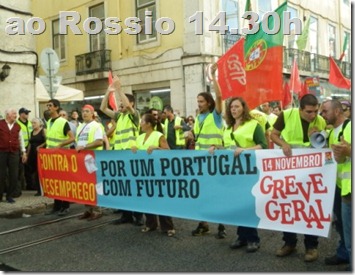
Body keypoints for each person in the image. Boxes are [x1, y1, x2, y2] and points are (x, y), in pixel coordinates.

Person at [270, 94, 326, 262]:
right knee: (288, 205)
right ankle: (289, 243)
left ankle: (311, 246)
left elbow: (324, 145)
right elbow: (274, 135)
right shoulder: (286, 115)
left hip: (310, 171)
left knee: (310, 207)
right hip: (289, 170)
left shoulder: (320, 121)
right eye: (309, 112)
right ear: (300, 109)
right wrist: (284, 144)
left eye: (316, 111)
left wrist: (317, 138)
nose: (313, 115)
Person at [221, 97, 267, 253]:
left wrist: (245, 150)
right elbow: (226, 147)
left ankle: (253, 239)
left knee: (247, 205)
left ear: (244, 108)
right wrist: (216, 148)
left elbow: (263, 145)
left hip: (248, 171)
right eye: (231, 107)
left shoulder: (253, 125)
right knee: (238, 205)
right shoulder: (227, 128)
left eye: (237, 106)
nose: (234, 109)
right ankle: (242, 236)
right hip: (232, 173)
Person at [100, 76, 143, 226]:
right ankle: (126, 215)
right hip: (119, 156)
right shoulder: (120, 116)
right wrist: (108, 91)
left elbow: (128, 107)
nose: (120, 105)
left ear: (131, 103)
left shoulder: (134, 115)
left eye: (123, 103)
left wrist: (119, 90)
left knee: (134, 187)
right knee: (123, 187)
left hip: (131, 156)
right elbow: (103, 108)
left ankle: (138, 216)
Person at [191, 63, 225, 238]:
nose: (199, 104)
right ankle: (203, 224)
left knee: (217, 194)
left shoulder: (216, 116)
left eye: (201, 101)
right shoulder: (198, 118)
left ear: (209, 102)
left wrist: (213, 77)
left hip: (215, 162)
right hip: (200, 162)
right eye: (197, 102)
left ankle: (221, 227)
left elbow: (219, 97)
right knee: (201, 194)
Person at [131, 113, 176, 237]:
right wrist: (133, 149)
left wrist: (157, 148)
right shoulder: (139, 137)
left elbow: (168, 152)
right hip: (143, 173)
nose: (140, 124)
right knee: (147, 199)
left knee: (161, 199)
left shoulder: (158, 135)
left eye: (142, 122)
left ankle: (167, 226)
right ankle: (150, 224)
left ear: (148, 124)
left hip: (157, 173)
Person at [320, 99, 351, 268]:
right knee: (341, 225)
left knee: (349, 227)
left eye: (325, 111)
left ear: (337, 111)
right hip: (339, 187)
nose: (322, 114)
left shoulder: (350, 127)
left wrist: (349, 151)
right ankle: (344, 253)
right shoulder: (332, 132)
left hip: (349, 188)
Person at [43, 99, 75, 216]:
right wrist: (42, 147)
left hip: (61, 157)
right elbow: (49, 139)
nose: (48, 107)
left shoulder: (63, 122)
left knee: (63, 182)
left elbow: (72, 138)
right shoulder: (50, 121)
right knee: (55, 182)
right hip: (51, 158)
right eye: (48, 105)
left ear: (56, 107)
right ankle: (56, 206)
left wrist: (61, 145)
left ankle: (65, 206)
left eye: (50, 105)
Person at [76, 104, 104, 221]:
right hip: (82, 159)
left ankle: (97, 210)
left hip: (93, 159)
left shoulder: (96, 126)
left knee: (95, 184)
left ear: (92, 113)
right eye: (83, 111)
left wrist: (85, 147)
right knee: (85, 185)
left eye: (87, 111)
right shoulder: (80, 126)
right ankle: (88, 209)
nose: (85, 113)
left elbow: (99, 142)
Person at [0, 109, 27, 203]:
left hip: (14, 152)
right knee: (1, 174)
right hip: (2, 152)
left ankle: (9, 195)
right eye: (14, 114)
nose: (16, 115)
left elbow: (21, 139)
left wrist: (24, 152)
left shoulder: (17, 126)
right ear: (7, 115)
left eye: (16, 114)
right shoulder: (1, 124)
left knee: (14, 175)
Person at [26, 117, 46, 196]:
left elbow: (47, 141)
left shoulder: (43, 131)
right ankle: (38, 189)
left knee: (39, 171)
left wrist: (40, 146)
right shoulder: (32, 132)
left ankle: (41, 190)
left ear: (40, 123)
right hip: (33, 155)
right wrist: (27, 155)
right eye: (32, 123)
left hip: (41, 154)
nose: (33, 124)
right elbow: (30, 144)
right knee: (34, 172)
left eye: (34, 123)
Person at [17, 107, 33, 193]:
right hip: (20, 148)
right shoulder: (17, 123)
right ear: (21, 114)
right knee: (19, 168)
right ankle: (19, 187)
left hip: (29, 147)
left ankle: (29, 185)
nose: (27, 114)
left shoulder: (30, 123)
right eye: (26, 113)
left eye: (28, 113)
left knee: (28, 167)